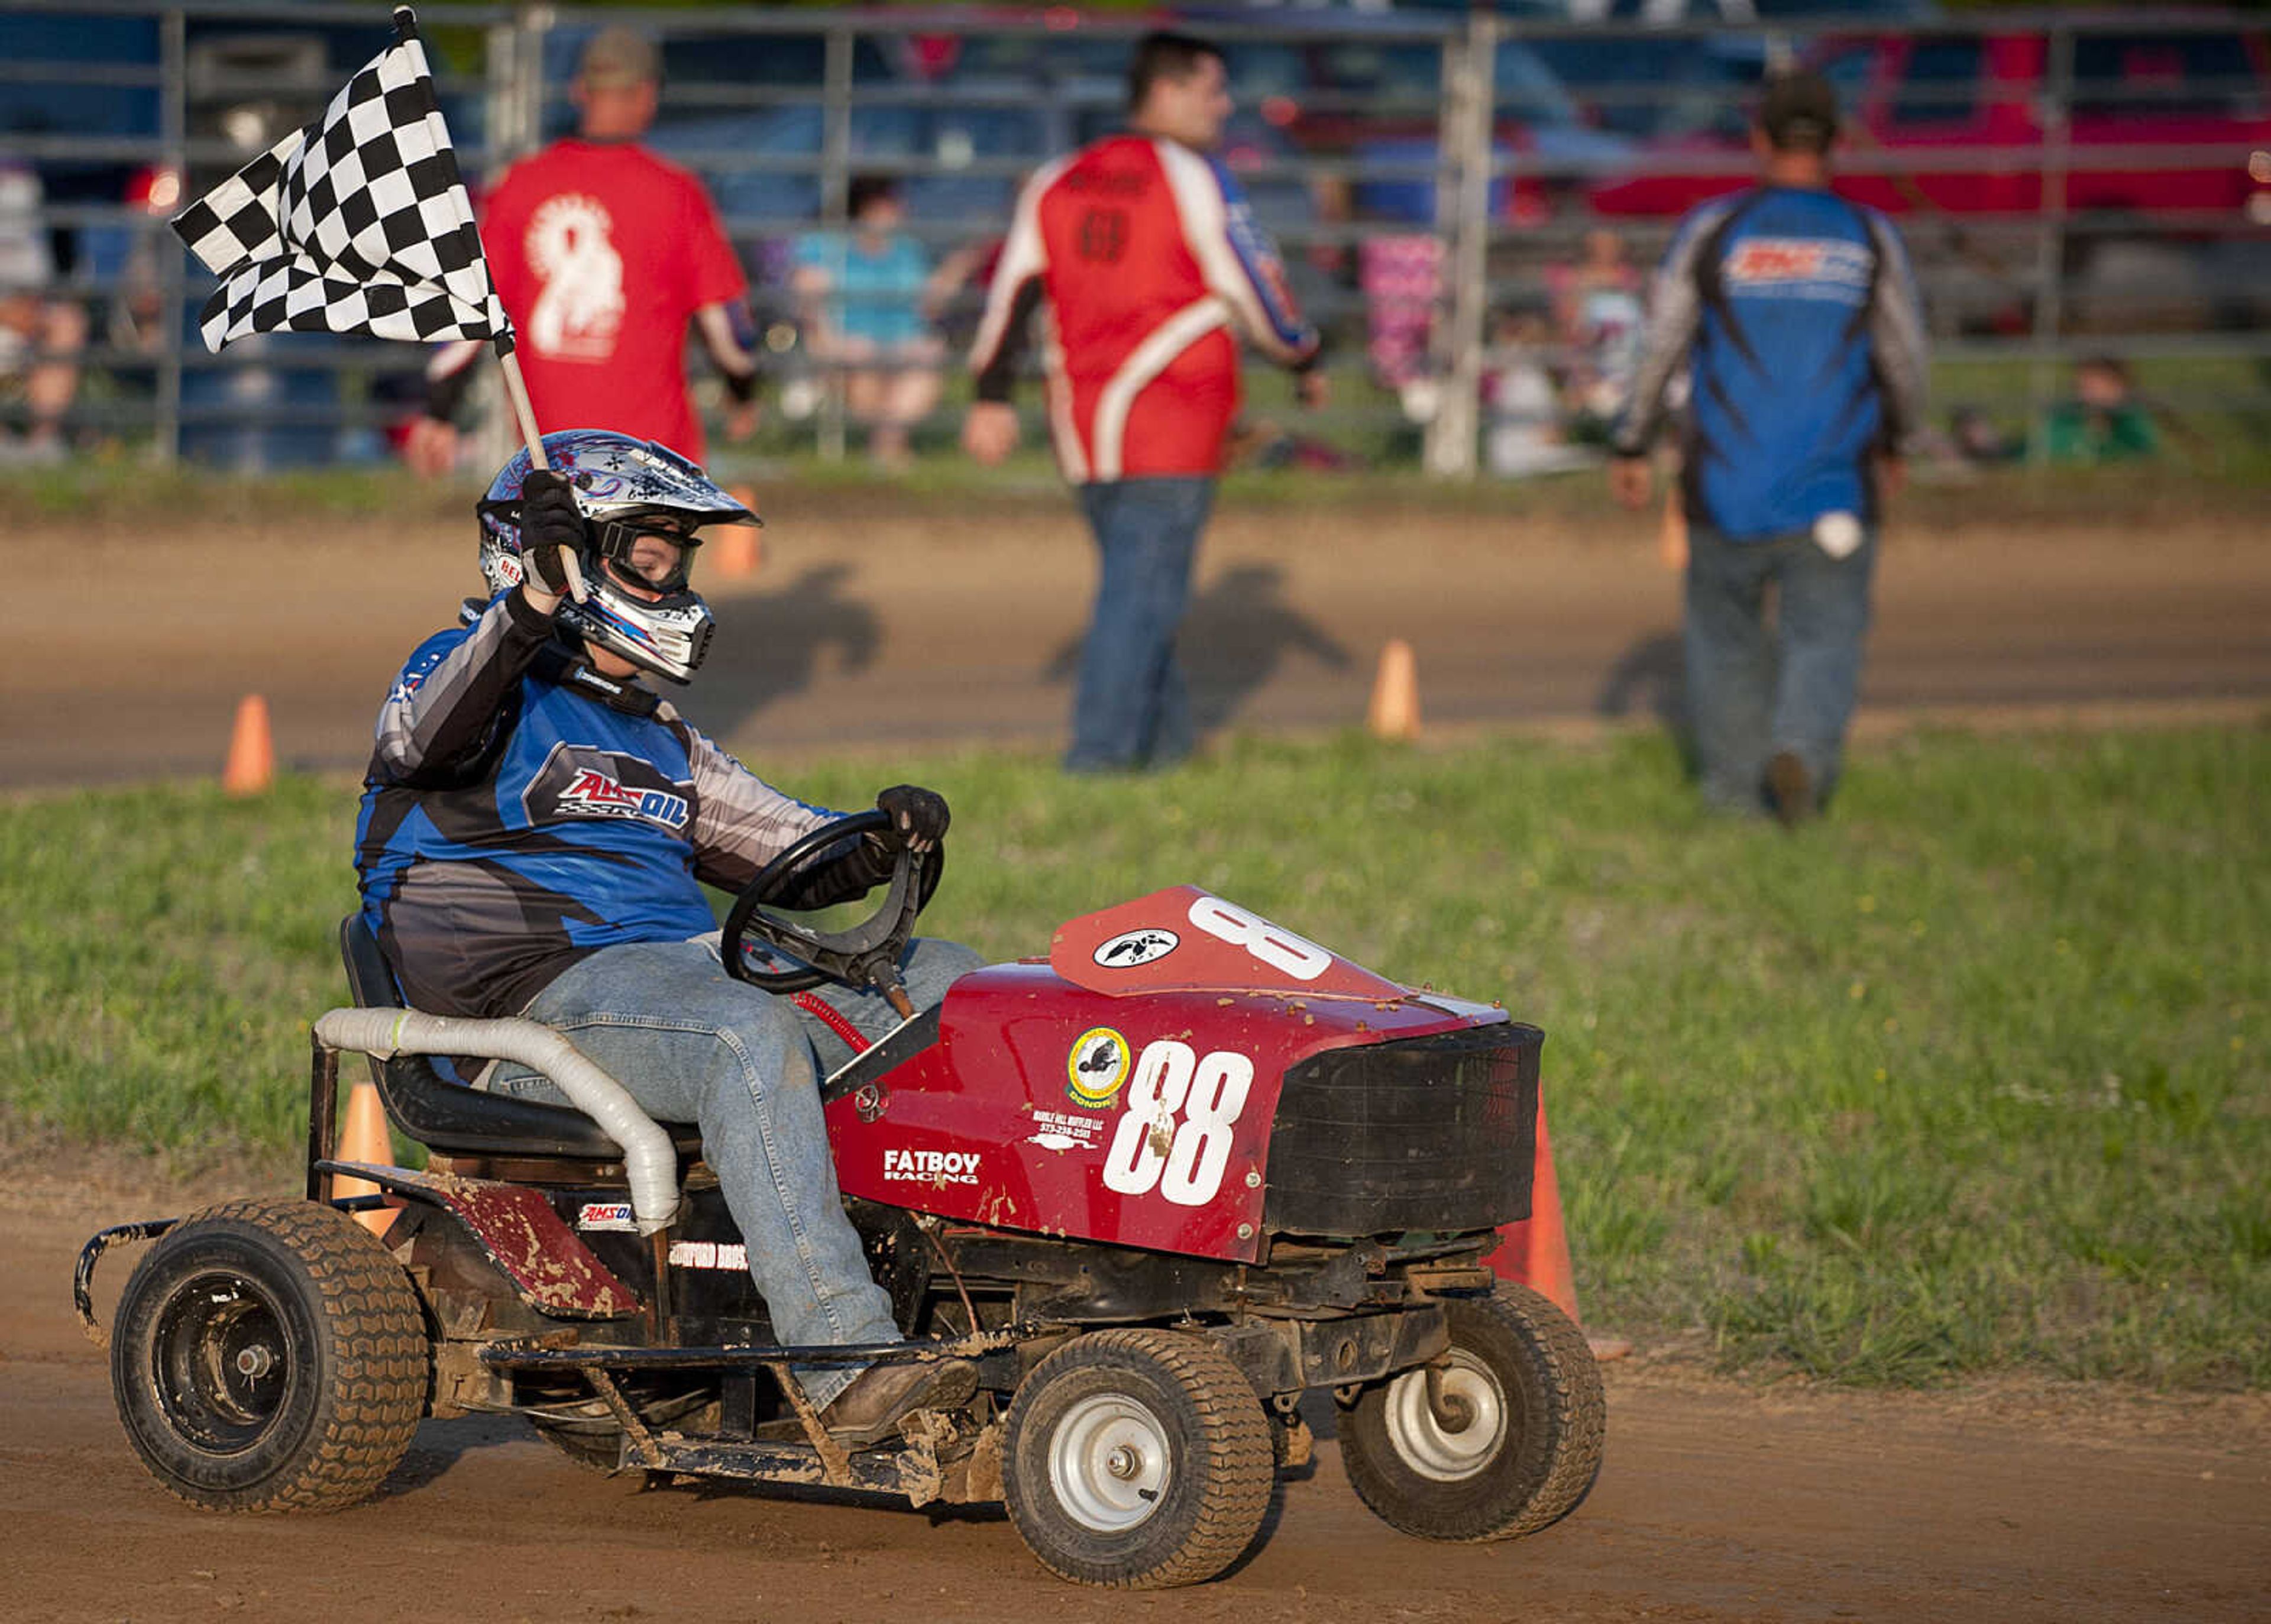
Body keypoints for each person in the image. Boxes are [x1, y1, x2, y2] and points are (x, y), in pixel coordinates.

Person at [356, 428, 981, 1442]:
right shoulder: (466, 680)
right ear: (561, 551)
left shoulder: (658, 736)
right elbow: (420, 738)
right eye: (646, 552)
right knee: (745, 1037)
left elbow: (794, 845)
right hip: (526, 1021)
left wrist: (884, 839)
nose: (670, 575)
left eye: (676, 556)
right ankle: (841, 1357)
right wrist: (530, 614)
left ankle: (983, 1298)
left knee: (961, 987)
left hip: (672, 988)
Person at [962, 30, 1325, 774]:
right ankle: (1096, 761)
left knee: (1139, 592)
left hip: (1087, 425)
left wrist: (990, 397)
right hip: (1175, 416)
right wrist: (1304, 353)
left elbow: (1013, 295)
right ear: (1167, 91)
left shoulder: (1059, 177)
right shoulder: (1197, 177)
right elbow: (1257, 284)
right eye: (1212, 90)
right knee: (1140, 599)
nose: (1225, 108)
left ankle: (1167, 757)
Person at [1607, 69, 1927, 826]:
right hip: (1834, 489)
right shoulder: (1870, 236)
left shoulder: (1714, 230)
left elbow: (1660, 343)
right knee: (1825, 635)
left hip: (1725, 485)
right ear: (1840, 145)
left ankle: (1733, 802)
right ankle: (1803, 753)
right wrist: (1903, 437)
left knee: (1726, 644)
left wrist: (1632, 440)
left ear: (1758, 140)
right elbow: (1905, 355)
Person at [406, 28, 759, 477]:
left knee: (562, 547)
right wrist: (743, 390)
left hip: (551, 460)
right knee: (653, 551)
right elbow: (726, 324)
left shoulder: (520, 187)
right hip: (655, 456)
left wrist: (439, 411)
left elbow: (472, 311)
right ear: (647, 95)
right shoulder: (676, 194)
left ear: (579, 92)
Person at [791, 175, 968, 472]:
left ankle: (885, 445)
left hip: (901, 342)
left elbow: (928, 306)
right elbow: (809, 301)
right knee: (863, 356)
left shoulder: (907, 250)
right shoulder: (826, 247)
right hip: (851, 343)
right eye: (890, 205)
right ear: (866, 209)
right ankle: (889, 450)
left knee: (926, 354)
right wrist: (827, 340)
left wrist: (956, 269)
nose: (900, 211)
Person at [0, 159, 86, 464]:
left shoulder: (37, 183)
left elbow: (53, 270)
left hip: (29, 308)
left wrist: (30, 308)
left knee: (68, 322)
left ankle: (44, 442)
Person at [2044, 356, 2159, 464]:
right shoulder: (2063, 423)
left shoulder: (2134, 423)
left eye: (2104, 383)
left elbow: (2145, 456)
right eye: (2087, 385)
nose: (2094, 392)